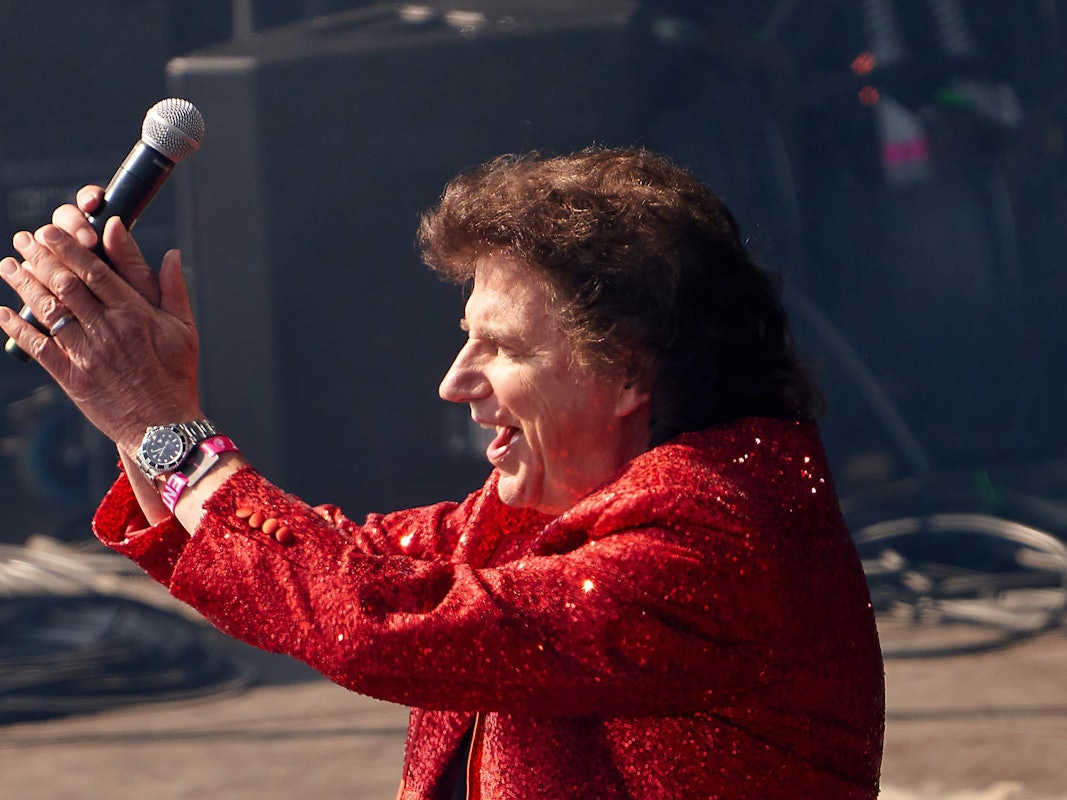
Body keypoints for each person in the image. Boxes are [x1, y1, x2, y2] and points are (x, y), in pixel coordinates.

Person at [0, 147, 885, 798]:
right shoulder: (558, 512)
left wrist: (163, 426)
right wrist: (138, 408)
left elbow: (371, 623)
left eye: (497, 346)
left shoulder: (716, 538)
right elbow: (322, 564)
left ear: (626, 371)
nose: (454, 382)